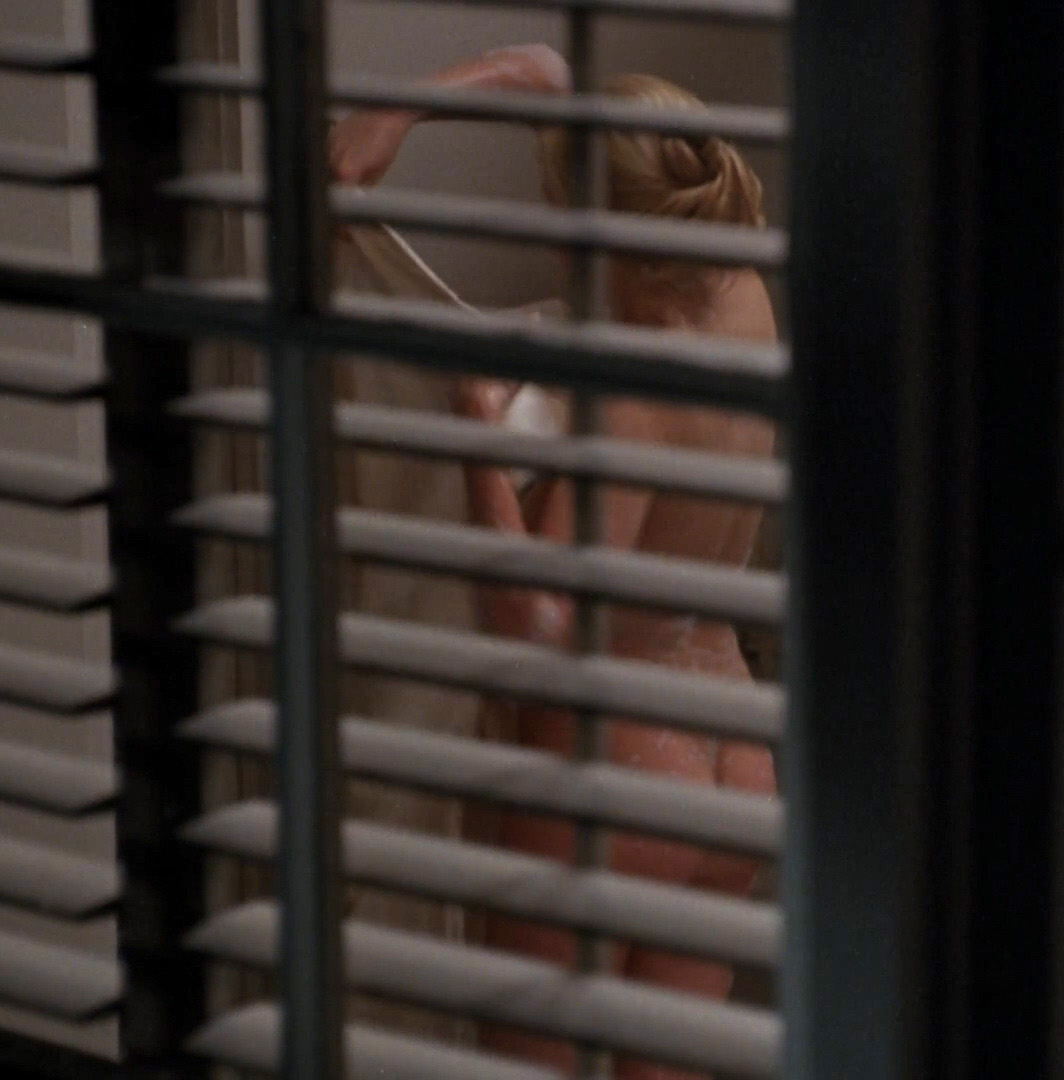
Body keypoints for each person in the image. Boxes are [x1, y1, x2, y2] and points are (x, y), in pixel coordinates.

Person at [330, 44, 779, 1080]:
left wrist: (477, 432)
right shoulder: (743, 295)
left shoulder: (627, 397)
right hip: (735, 764)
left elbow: (537, 632)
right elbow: (542, 68)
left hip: (618, 771)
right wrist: (396, 113)